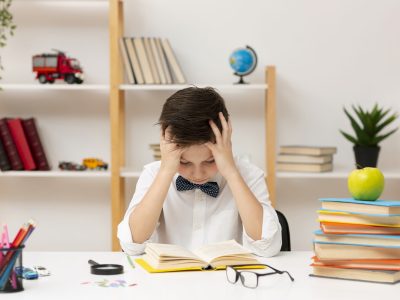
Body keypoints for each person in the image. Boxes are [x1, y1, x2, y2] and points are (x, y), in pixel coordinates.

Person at [117, 87, 282, 257]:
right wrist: (166, 171)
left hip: (229, 281)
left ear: (226, 140)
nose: (197, 174)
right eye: (184, 162)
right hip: (167, 282)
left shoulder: (248, 174)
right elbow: (132, 245)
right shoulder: (154, 174)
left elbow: (267, 246)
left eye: (210, 161)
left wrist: (231, 173)